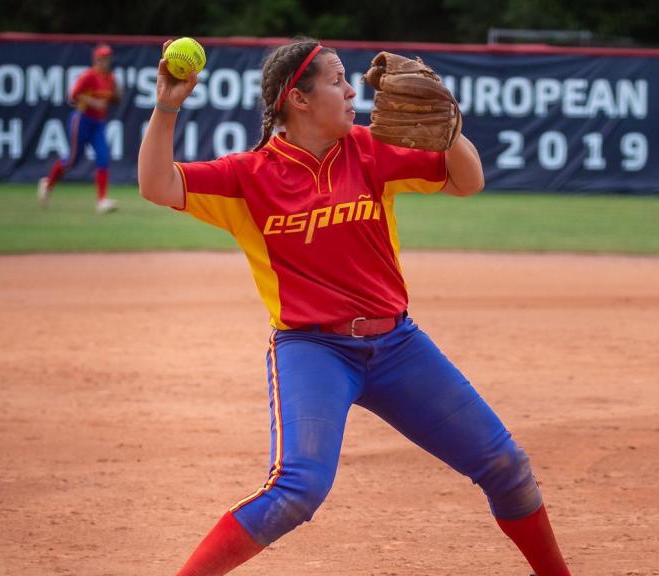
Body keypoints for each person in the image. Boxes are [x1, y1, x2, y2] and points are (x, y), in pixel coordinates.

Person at [137, 37, 572, 576]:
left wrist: (450, 127)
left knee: (507, 466)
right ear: (298, 99)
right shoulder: (249, 177)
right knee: (298, 489)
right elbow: (157, 184)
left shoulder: (369, 150)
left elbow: (469, 179)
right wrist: (167, 106)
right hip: (313, 349)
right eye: (338, 81)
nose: (351, 93)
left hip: (397, 346)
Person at [38, 43, 122, 214]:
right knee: (71, 160)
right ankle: (48, 183)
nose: (106, 62)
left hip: (98, 123)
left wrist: (117, 93)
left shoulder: (111, 78)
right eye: (102, 58)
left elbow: (115, 99)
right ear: (96, 60)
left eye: (108, 58)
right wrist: (93, 102)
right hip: (82, 119)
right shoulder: (88, 76)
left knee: (103, 157)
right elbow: (72, 96)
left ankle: (102, 201)